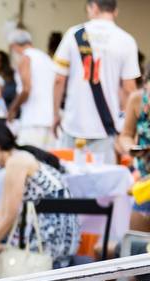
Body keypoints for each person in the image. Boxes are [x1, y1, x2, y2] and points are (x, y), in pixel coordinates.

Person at [0, 120, 79, 264]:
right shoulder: (18, 158)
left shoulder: (16, 162)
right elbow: (1, 216)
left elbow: (8, 218)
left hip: (49, 244)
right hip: (60, 240)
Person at [53, 0, 140, 164]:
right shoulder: (126, 40)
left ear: (93, 7)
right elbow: (129, 90)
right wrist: (128, 129)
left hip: (73, 125)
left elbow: (59, 79)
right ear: (115, 11)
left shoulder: (74, 34)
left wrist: (55, 114)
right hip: (106, 128)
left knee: (69, 174)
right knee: (103, 178)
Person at [116, 63, 150, 281]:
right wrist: (132, 148)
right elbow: (124, 135)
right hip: (144, 183)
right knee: (137, 254)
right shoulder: (138, 99)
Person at [7, 29, 57, 148]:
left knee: (28, 157)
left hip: (32, 121)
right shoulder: (46, 58)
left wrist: (12, 109)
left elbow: (26, 89)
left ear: (14, 46)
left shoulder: (26, 58)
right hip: (50, 121)